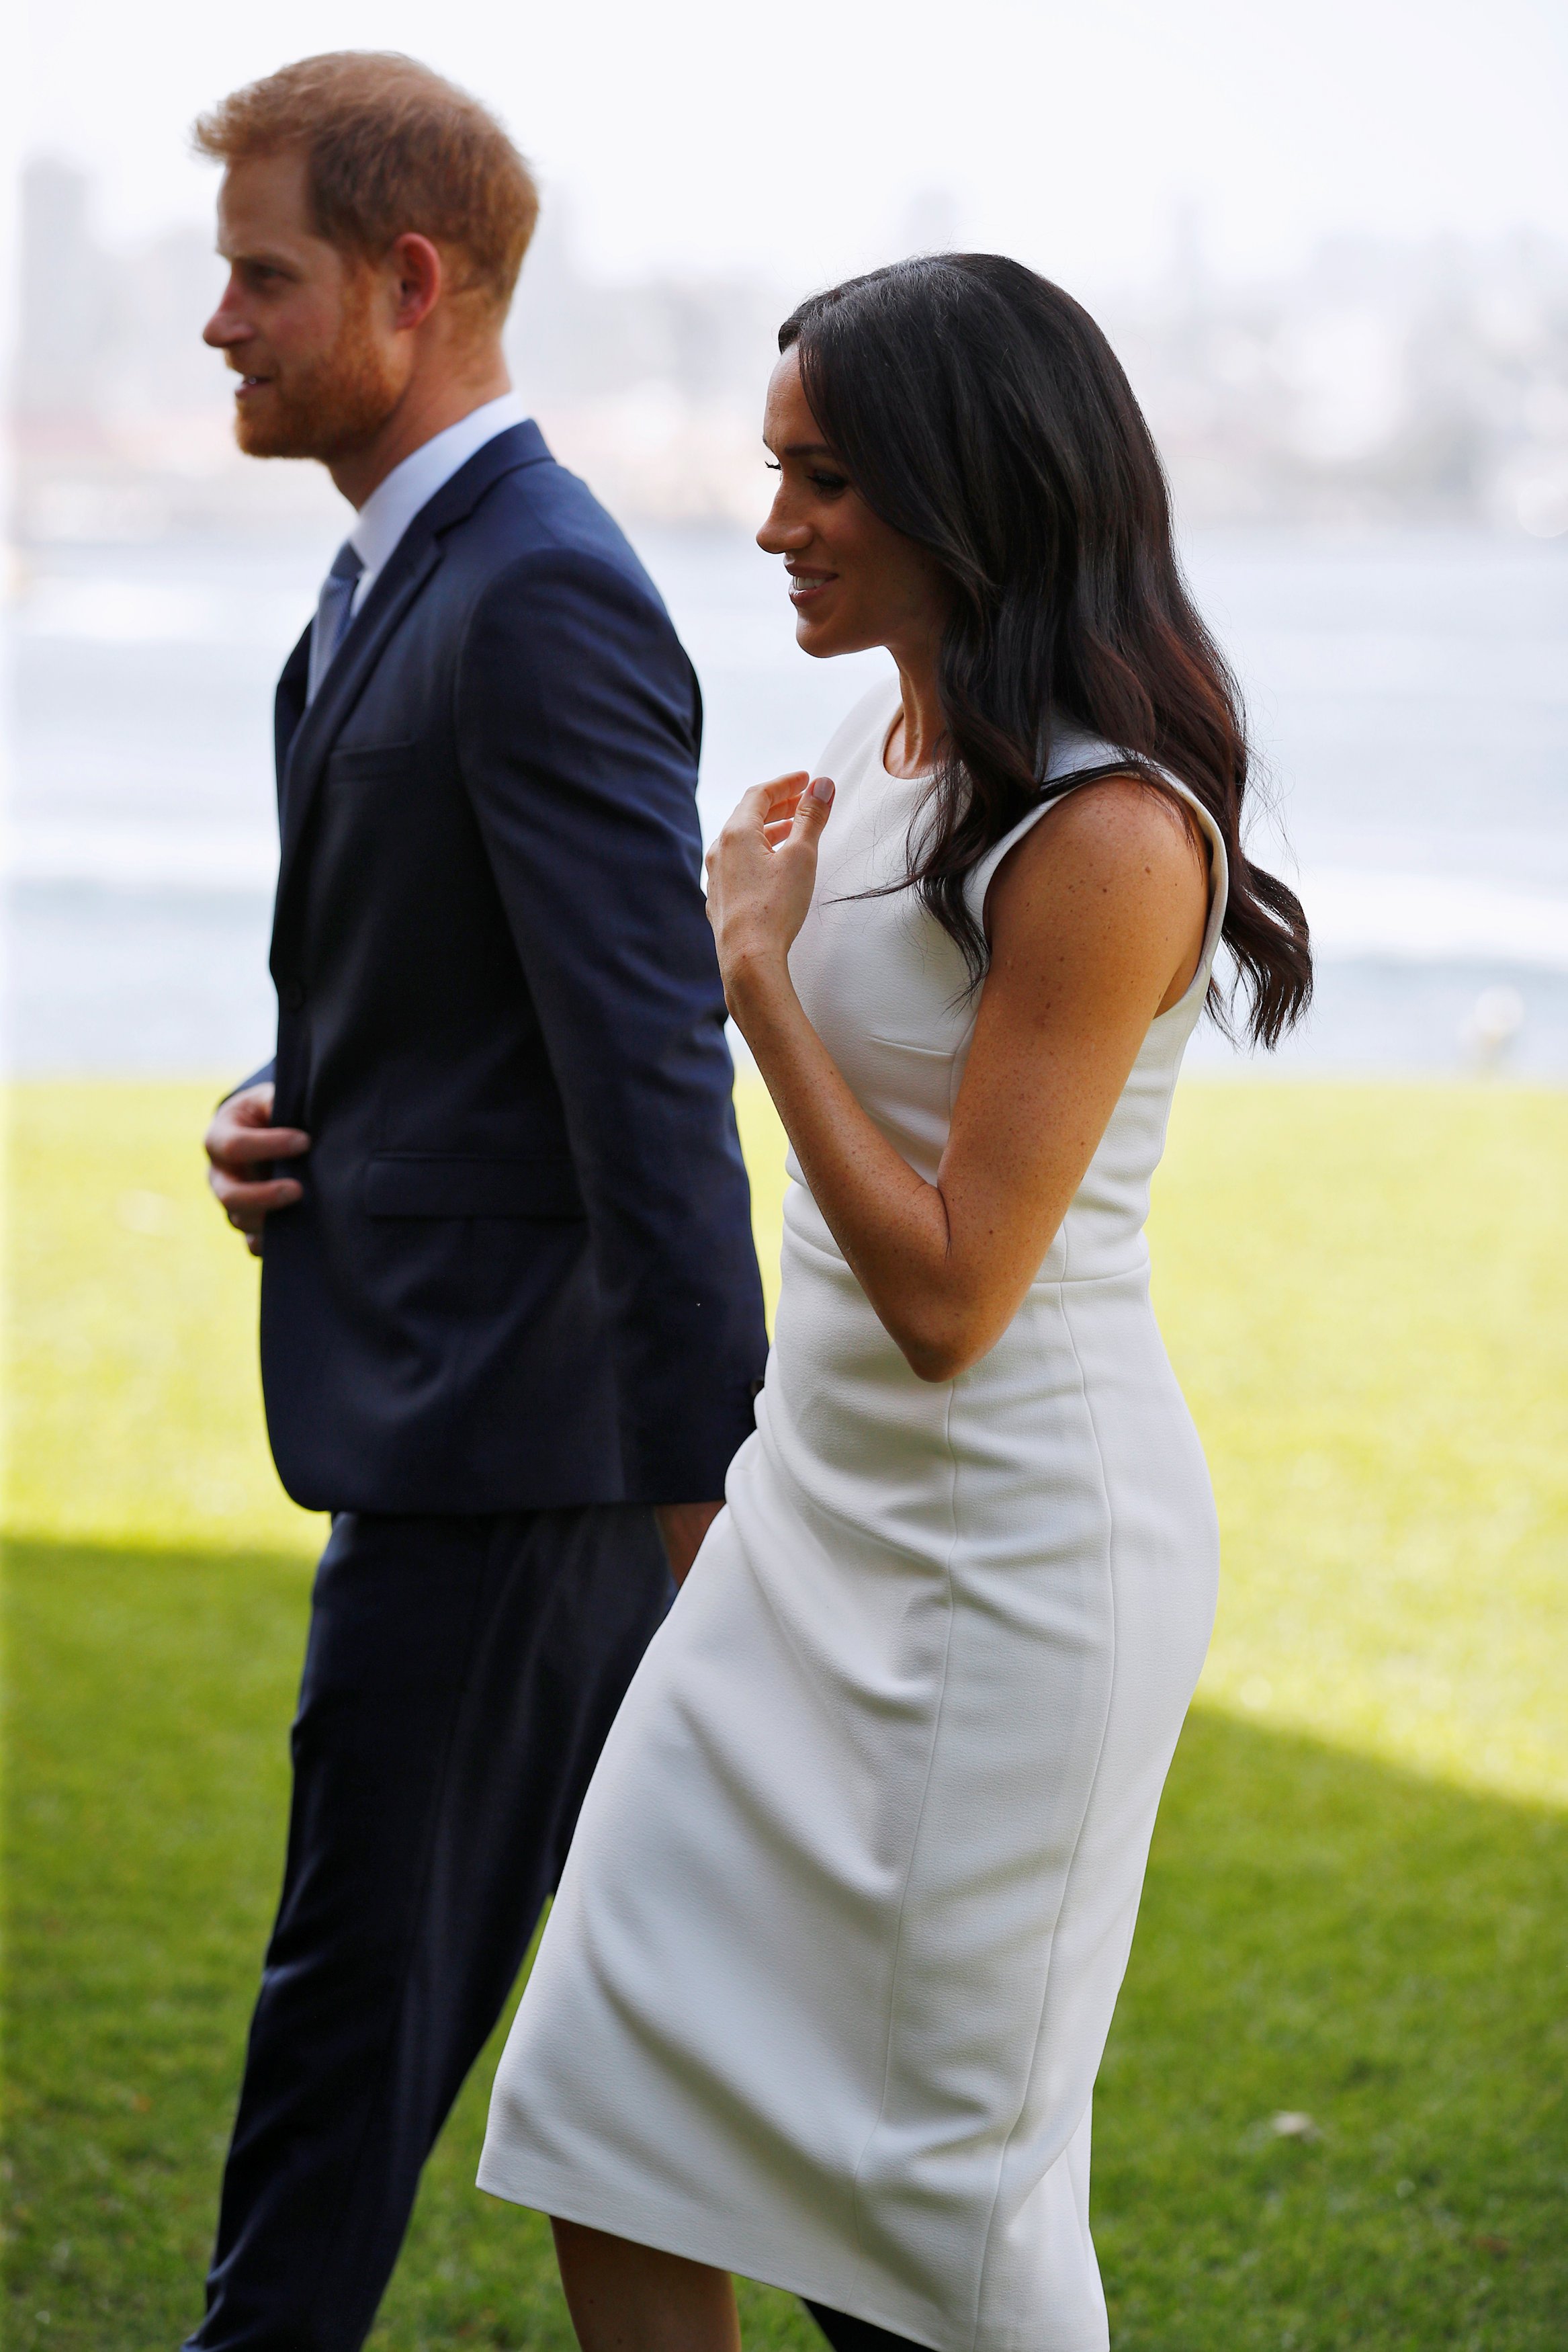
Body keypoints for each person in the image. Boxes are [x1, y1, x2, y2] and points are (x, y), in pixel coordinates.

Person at [478, 255, 1313, 2352]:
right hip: (806, 1523)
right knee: (597, 2095)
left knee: (935, 2219)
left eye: (827, 479)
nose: (776, 527)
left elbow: (950, 1290)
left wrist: (754, 975)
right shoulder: (874, 735)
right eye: (776, 472)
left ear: (974, 481)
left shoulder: (1109, 827)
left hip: (1011, 1573)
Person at [189, 52, 767, 2352]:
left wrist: (694, 1486)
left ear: (410, 285)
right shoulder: (405, 572)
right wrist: (284, 1105)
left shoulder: (535, 596)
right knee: (485, 2029)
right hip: (449, 1419)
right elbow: (457, 998)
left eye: (263, 276)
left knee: (354, 2037)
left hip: (528, 1462)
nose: (218, 327)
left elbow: (651, 1070)